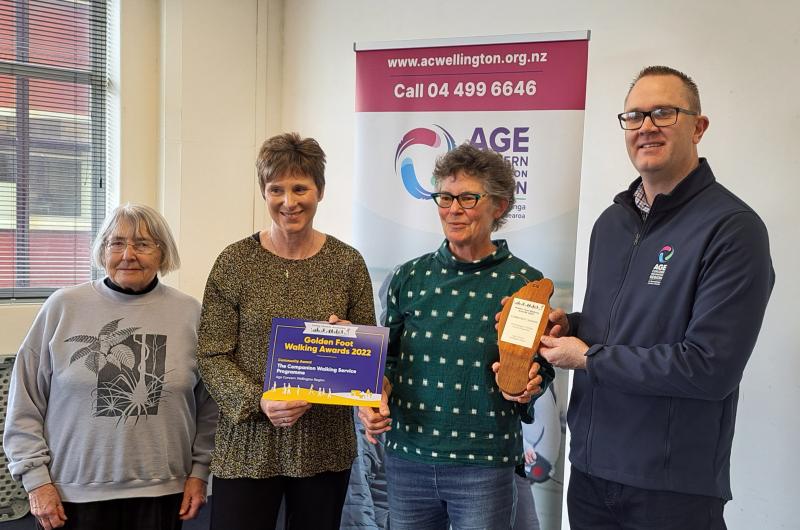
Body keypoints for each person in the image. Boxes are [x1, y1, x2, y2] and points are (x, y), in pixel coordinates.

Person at [536, 66, 774, 529]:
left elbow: (710, 368)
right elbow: (621, 326)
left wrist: (589, 358)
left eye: (664, 112)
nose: (646, 126)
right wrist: (574, 327)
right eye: (635, 115)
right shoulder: (612, 223)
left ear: (698, 127)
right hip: (588, 474)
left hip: (670, 489)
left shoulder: (732, 229)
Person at [359, 143, 554, 530]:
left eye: (467, 197)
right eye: (445, 197)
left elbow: (540, 364)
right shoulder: (408, 277)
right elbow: (389, 361)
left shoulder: (525, 283)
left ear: (498, 206)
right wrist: (372, 400)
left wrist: (531, 383)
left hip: (484, 464)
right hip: (408, 458)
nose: (453, 209)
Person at [196, 132, 376, 530]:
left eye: (300, 188)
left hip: (323, 443)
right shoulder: (234, 262)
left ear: (320, 191)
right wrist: (260, 401)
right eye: (276, 189)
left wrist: (352, 340)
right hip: (247, 444)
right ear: (264, 191)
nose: (289, 201)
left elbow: (367, 356)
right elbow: (211, 354)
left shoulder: (347, 264)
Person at [3, 203, 218, 530]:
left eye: (143, 244)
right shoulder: (63, 308)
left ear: (163, 253)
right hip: (70, 495)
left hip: (162, 492)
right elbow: (25, 404)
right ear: (102, 251)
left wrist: (199, 473)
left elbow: (209, 406)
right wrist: (36, 481)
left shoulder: (190, 314)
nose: (128, 254)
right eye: (116, 243)